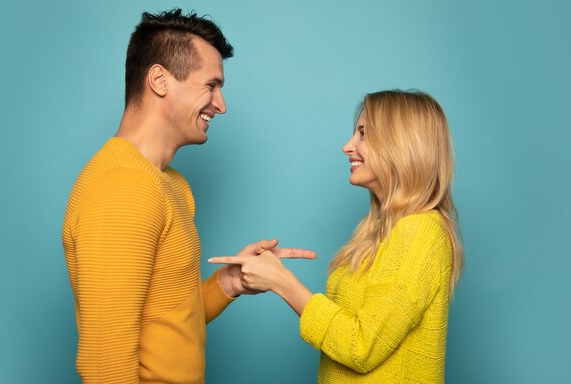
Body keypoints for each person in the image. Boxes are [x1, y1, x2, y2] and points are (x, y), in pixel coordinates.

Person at [62, 9, 315, 383]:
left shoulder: (169, 184)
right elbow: (104, 364)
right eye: (211, 85)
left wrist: (229, 283)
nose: (221, 104)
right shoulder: (122, 187)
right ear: (160, 80)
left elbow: (168, 315)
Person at [210, 90, 464, 383]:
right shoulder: (381, 230)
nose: (347, 147)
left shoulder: (421, 231)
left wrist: (282, 282)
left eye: (363, 134)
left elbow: (360, 347)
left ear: (401, 144)